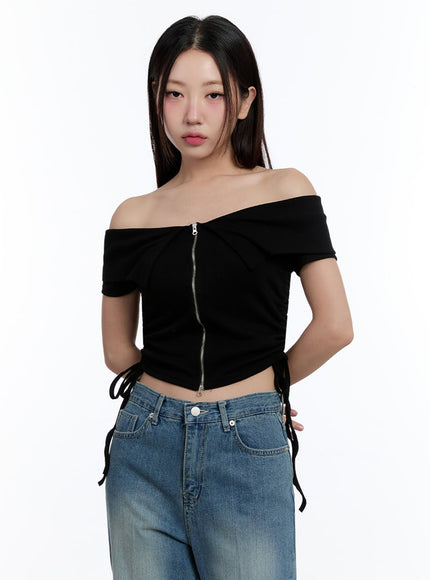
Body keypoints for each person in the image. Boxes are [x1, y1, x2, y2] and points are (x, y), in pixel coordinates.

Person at [98, 14, 353, 580]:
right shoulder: (132, 217)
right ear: (156, 100)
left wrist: (264, 394)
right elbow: (117, 352)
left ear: (244, 102)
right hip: (143, 451)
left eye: (214, 94)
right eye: (175, 93)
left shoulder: (284, 191)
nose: (193, 113)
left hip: (246, 448)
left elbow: (336, 324)